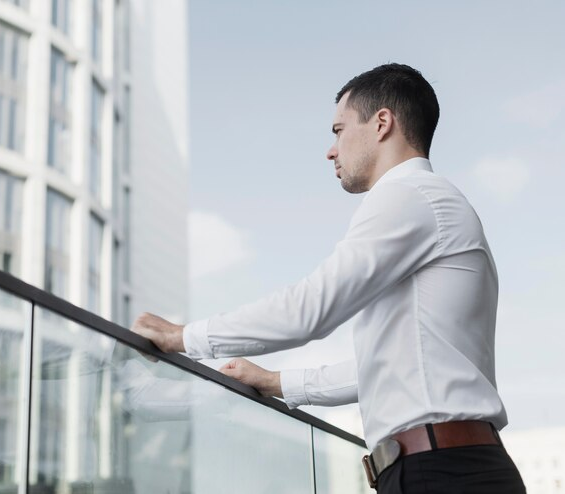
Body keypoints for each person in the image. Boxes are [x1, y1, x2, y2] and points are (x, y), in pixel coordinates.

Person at [132, 63, 526, 493]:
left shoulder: (409, 197)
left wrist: (181, 337)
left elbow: (309, 310)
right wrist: (275, 382)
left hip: (442, 471)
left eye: (338, 130)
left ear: (381, 124)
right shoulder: (431, 206)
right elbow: (381, 368)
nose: (331, 150)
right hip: (443, 467)